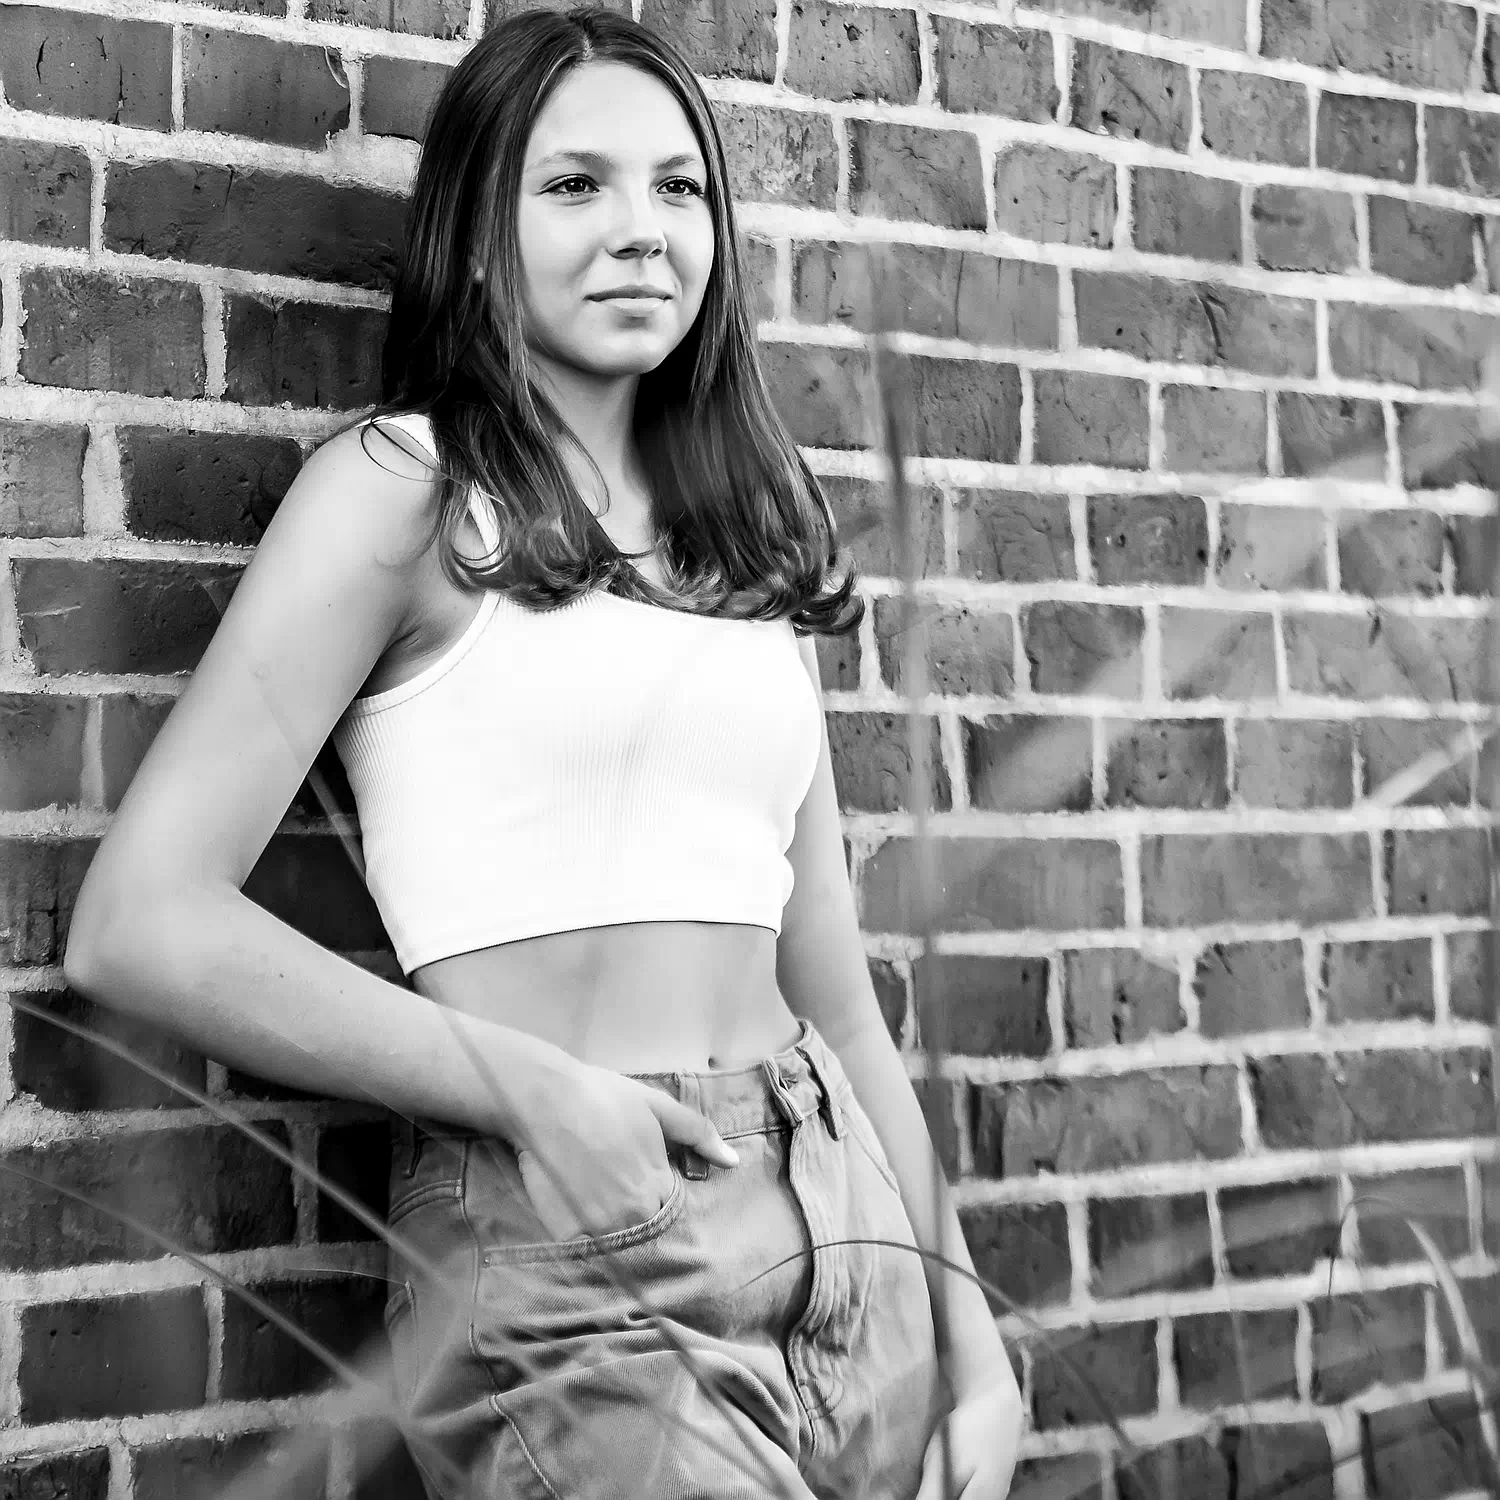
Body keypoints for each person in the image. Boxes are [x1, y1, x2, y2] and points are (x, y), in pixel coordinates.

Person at [62, 7, 1022, 1497]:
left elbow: (835, 990)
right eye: (577, 185)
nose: (643, 229)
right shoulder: (405, 492)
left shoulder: (746, 534)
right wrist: (532, 1093)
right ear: (478, 239)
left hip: (844, 1222)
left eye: (679, 187)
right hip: (580, 1238)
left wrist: (974, 1341)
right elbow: (140, 922)